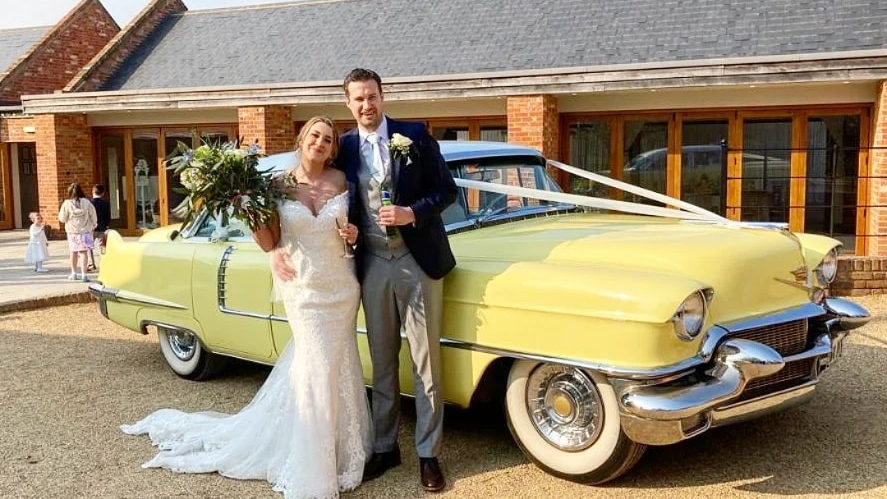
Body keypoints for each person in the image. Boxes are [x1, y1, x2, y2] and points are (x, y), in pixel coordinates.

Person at [121, 117, 371, 499]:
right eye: (315, 136)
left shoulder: (341, 181)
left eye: (328, 139)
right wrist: (246, 207)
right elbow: (270, 239)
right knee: (316, 364)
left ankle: (342, 451)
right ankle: (313, 464)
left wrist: (352, 233)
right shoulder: (275, 185)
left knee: (339, 363)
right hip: (302, 286)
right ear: (302, 140)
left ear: (333, 147)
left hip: (342, 282)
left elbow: (350, 230)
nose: (320, 143)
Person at [274, 68, 457, 492]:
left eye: (371, 96)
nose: (366, 105)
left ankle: (429, 454)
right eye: (357, 99)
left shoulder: (413, 134)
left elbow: (446, 191)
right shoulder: (346, 148)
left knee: (427, 362)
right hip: (371, 263)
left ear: (381, 95)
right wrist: (276, 248)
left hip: (418, 260)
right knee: (382, 360)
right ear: (348, 104)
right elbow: (319, 191)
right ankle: (385, 446)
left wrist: (413, 212)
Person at [58, 183, 97, 282]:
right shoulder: (87, 202)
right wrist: (94, 224)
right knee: (84, 252)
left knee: (73, 252)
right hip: (85, 230)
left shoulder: (67, 204)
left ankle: (74, 273)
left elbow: (62, 219)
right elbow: (93, 215)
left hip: (72, 231)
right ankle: (84, 275)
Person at [87, 184, 111, 271]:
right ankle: (104, 263)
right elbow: (108, 216)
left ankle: (91, 264)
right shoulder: (106, 203)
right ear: (103, 193)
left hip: (91, 228)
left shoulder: (89, 203)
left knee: (89, 247)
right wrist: (107, 225)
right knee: (103, 247)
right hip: (103, 228)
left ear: (92, 192)